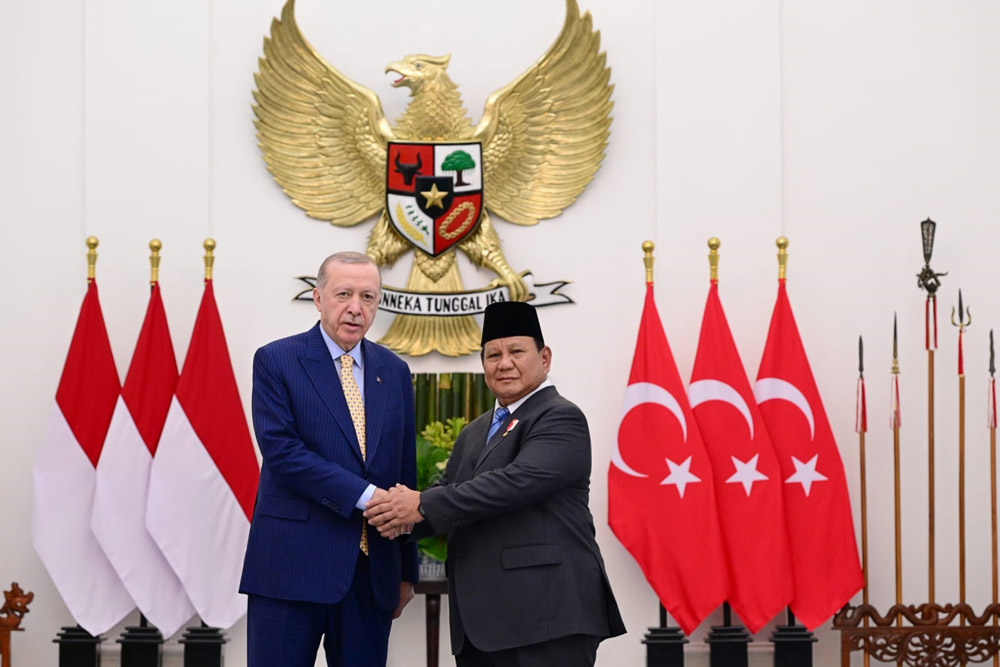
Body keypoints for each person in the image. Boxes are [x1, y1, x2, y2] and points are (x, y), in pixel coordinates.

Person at [365, 301, 626, 667]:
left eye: (516, 351)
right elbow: (444, 497)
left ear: (545, 358)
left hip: (545, 618)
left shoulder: (560, 417)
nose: (504, 363)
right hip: (482, 626)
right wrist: (383, 514)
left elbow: (513, 484)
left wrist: (419, 504)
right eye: (493, 355)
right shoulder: (474, 432)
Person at [239, 251, 417, 667]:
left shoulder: (394, 371)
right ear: (318, 298)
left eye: (368, 297)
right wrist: (366, 495)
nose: (356, 308)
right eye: (343, 294)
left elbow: (403, 470)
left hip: (371, 575)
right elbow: (283, 452)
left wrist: (405, 570)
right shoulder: (276, 360)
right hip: (291, 568)